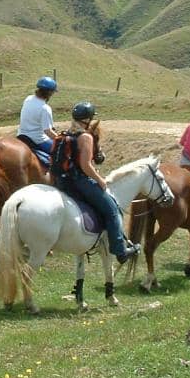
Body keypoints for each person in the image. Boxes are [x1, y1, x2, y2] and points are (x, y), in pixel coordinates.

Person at [51, 101, 140, 263]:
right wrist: (99, 180)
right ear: (87, 120)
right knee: (112, 211)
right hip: (79, 182)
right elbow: (85, 165)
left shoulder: (65, 134)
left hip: (63, 182)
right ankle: (120, 251)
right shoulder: (85, 137)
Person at [17, 76, 59, 161]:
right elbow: (48, 131)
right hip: (38, 140)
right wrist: (60, 139)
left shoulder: (28, 99)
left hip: (21, 135)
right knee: (61, 153)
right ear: (49, 93)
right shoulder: (45, 108)